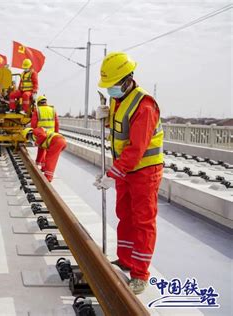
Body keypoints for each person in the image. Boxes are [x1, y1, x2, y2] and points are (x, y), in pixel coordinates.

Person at [93, 51, 164, 295]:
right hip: (126, 169)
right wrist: (104, 120)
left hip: (145, 170)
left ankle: (140, 274)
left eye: (113, 85)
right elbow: (118, 129)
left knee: (142, 221)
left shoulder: (144, 106)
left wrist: (111, 174)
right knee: (124, 214)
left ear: (126, 80)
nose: (110, 90)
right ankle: (125, 259)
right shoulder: (118, 99)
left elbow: (136, 148)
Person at [31, 95, 59, 169]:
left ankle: (38, 164)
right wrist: (56, 133)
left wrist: (34, 133)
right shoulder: (52, 110)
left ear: (38, 103)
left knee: (41, 149)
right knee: (48, 151)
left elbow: (33, 124)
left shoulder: (37, 110)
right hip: (51, 134)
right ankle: (44, 167)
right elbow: (56, 123)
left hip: (41, 133)